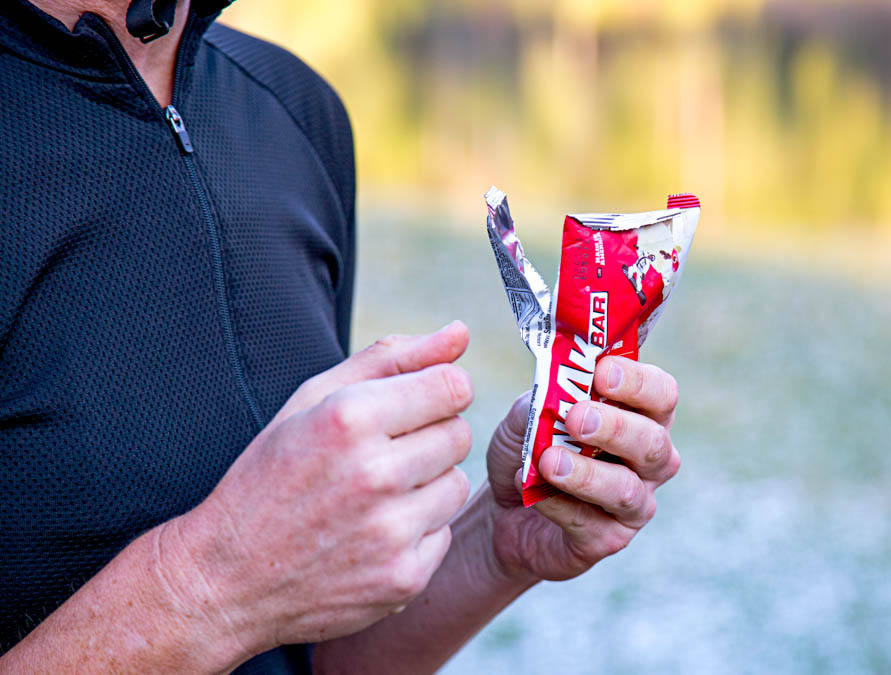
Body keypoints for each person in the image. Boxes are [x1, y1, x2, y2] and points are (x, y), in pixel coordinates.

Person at [0, 0, 682, 672]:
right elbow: (237, 596)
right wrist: (210, 582)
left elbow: (310, 658)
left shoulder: (295, 109)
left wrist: (499, 543)